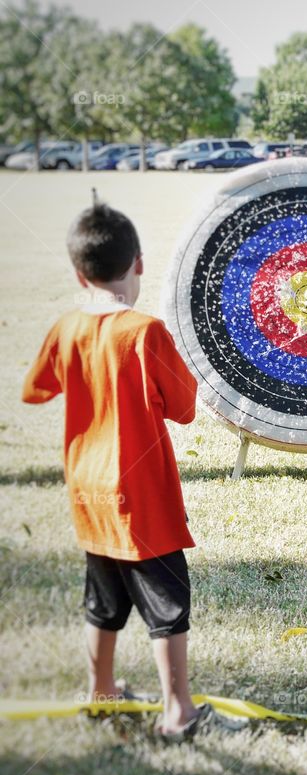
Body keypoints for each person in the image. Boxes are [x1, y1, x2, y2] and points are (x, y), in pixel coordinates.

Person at [22, 200, 241, 742]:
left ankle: (99, 690)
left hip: (87, 495)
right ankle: (178, 711)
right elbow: (184, 408)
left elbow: (36, 388)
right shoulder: (145, 333)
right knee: (167, 606)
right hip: (140, 497)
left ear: (79, 273)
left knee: (103, 597)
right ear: (138, 263)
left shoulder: (68, 326)